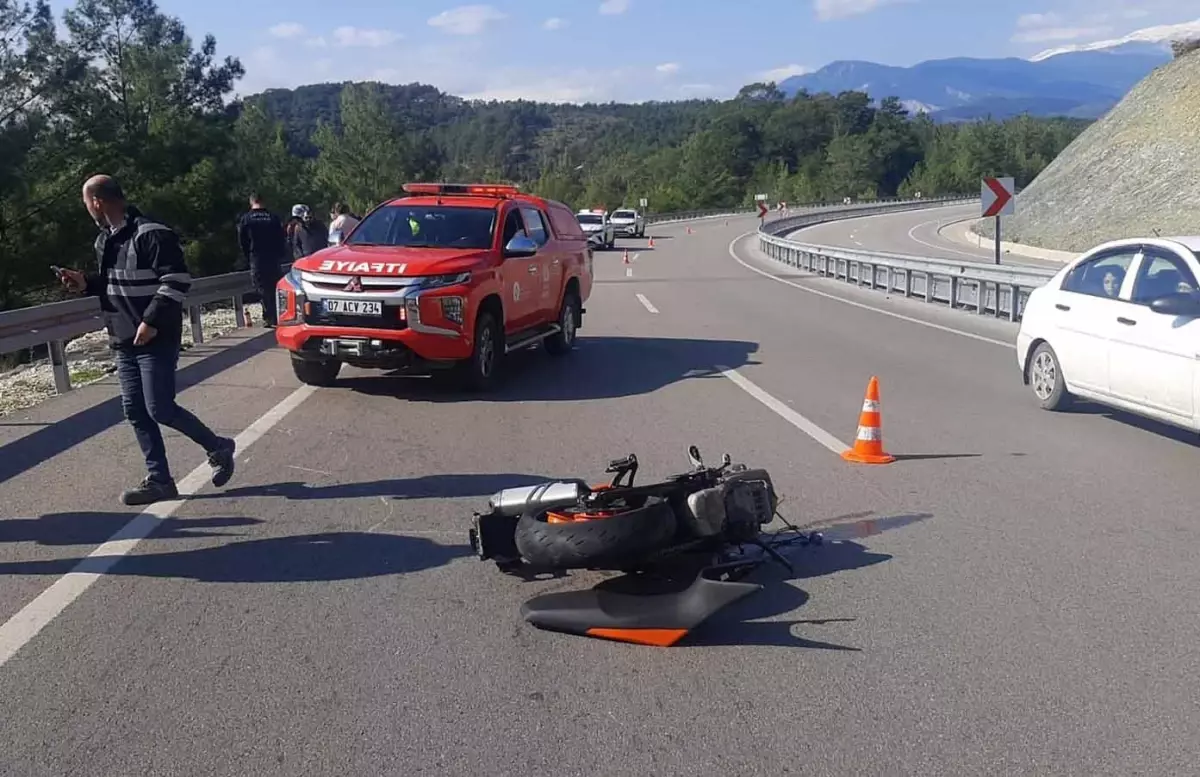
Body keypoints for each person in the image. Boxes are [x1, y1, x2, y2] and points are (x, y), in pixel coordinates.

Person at [58, 175, 236, 506]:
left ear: (97, 201)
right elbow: (113, 284)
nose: (86, 210)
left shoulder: (152, 233)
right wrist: (86, 283)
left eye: (86, 203)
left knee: (160, 408)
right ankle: (160, 480)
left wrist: (151, 322)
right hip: (124, 338)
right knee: (136, 411)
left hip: (156, 337)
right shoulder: (105, 240)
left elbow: (177, 280)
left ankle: (218, 447)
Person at [236, 193, 288, 326]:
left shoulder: (246, 219)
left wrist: (248, 256)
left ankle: (269, 316)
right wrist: (281, 254)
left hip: (257, 258)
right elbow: (281, 238)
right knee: (275, 286)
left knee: (262, 288)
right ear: (264, 201)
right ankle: (277, 315)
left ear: (251, 202)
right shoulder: (273, 217)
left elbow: (242, 241)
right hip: (273, 258)